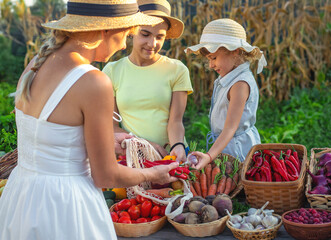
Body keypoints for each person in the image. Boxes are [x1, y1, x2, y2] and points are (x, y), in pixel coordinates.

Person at [0, 0, 179, 239]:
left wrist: (105, 141)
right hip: (65, 204)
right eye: (126, 34)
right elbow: (105, 176)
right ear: (105, 30)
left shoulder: (35, 64)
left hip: (21, 196)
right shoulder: (93, 81)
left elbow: (49, 135)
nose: (125, 44)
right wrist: (152, 174)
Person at [102, 0, 193, 163]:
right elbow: (112, 126)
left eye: (160, 37)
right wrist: (144, 145)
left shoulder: (177, 69)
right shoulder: (112, 71)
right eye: (145, 34)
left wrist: (177, 145)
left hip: (170, 154)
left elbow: (175, 121)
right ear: (131, 31)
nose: (153, 44)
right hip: (133, 157)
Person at [185, 18, 267, 170]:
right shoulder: (229, 77)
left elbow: (230, 128)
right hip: (224, 146)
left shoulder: (240, 84)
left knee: (236, 183)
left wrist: (209, 156)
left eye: (214, 58)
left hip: (237, 150)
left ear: (234, 51)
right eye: (209, 59)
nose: (210, 65)